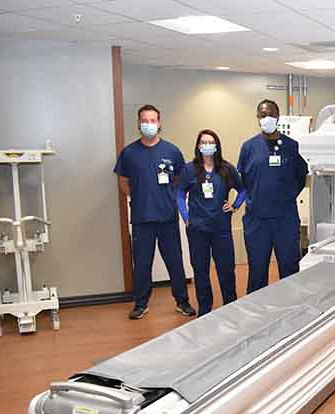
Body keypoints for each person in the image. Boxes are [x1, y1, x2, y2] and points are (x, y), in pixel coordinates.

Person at [114, 104, 196, 320]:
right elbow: (123, 180)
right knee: (141, 265)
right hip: (142, 218)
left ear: (159, 124)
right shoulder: (129, 153)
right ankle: (141, 304)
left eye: (153, 120)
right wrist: (138, 197)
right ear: (139, 124)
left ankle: (182, 301)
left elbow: (180, 179)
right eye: (144, 120)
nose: (149, 124)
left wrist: (168, 197)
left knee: (175, 262)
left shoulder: (172, 151)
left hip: (167, 217)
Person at [237, 99, 308, 293]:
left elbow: (300, 178)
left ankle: (293, 311)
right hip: (257, 221)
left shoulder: (292, 147)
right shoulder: (248, 147)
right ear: (257, 118)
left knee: (290, 269)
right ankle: (257, 315)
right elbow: (243, 180)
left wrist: (284, 197)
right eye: (262, 115)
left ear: (278, 117)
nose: (266, 118)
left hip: (285, 219)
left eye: (270, 114)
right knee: (257, 270)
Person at [177, 129, 246, 317]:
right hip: (197, 229)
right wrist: (185, 216)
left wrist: (235, 206)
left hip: (221, 229)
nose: (207, 146)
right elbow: (180, 194)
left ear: (216, 145)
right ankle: (205, 310)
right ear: (198, 146)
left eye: (210, 142)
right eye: (203, 142)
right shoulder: (189, 169)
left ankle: (230, 306)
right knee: (200, 271)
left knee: (226, 269)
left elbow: (242, 189)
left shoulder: (226, 169)